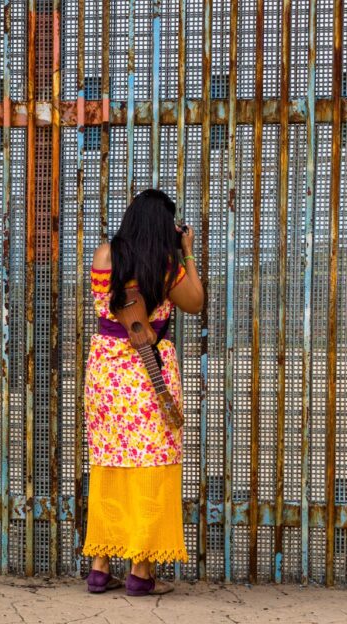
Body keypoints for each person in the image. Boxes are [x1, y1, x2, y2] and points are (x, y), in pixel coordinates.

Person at [81, 189, 204, 596]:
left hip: (107, 374)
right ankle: (141, 570)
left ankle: (100, 566)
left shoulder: (104, 255)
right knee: (152, 464)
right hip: (149, 374)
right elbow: (196, 303)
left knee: (110, 462)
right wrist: (186, 251)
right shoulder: (167, 267)